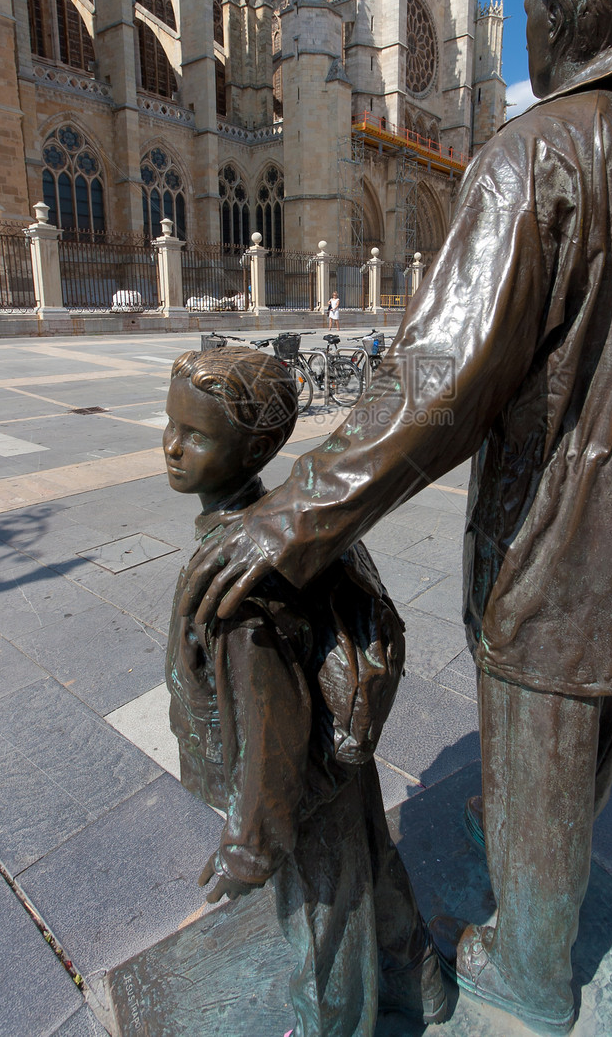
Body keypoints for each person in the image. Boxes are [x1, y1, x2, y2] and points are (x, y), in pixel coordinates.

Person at [179, 0, 612, 1035]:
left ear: (558, 13)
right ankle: (536, 845)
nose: (520, 25)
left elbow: (433, 387)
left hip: (558, 556)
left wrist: (292, 517)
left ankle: (527, 963)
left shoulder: (535, 152)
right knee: (585, 744)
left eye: (530, 4)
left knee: (546, 740)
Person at [162, 346, 445, 1037]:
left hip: (300, 785)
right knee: (370, 865)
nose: (171, 447)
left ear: (254, 445)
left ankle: (333, 1026)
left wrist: (250, 843)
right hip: (338, 755)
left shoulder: (238, 580)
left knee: (323, 920)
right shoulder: (295, 519)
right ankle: (422, 987)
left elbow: (270, 729)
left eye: (196, 435)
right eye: (170, 425)